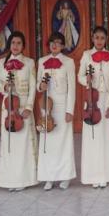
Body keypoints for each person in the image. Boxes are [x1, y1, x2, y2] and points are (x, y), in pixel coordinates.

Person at [0, 31, 38, 191]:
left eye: (19, 43)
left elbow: (33, 87)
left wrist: (29, 107)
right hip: (9, 108)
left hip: (23, 106)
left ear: (23, 46)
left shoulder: (30, 62)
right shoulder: (1, 63)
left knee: (24, 144)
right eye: (13, 43)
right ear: (9, 44)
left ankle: (25, 179)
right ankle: (9, 180)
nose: (16, 46)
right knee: (9, 145)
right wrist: (4, 86)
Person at [78, 26, 109, 188]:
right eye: (97, 38)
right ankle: (93, 175)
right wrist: (86, 79)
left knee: (107, 137)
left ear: (106, 39)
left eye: (102, 38)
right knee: (92, 138)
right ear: (92, 38)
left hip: (107, 98)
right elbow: (80, 76)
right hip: (92, 100)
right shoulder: (86, 55)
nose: (99, 41)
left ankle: (106, 175)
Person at [36, 32, 76, 190]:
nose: (55, 45)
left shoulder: (68, 62)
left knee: (63, 141)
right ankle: (48, 177)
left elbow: (72, 87)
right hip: (47, 103)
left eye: (58, 43)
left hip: (62, 103)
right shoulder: (42, 61)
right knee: (48, 141)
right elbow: (38, 83)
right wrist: (41, 86)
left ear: (63, 46)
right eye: (52, 42)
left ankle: (65, 176)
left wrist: (69, 110)